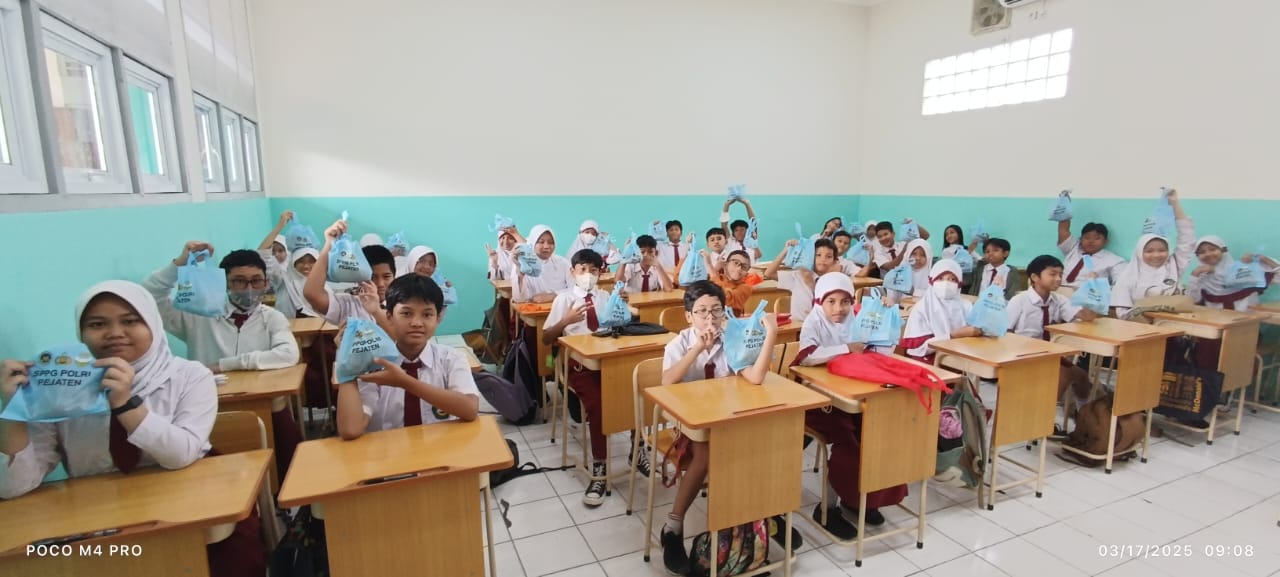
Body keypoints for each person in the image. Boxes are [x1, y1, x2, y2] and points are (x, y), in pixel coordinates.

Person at [0, 281, 264, 577]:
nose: (114, 333)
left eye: (130, 321)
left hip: (190, 505)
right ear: (81, 333)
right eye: (97, 324)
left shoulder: (190, 376)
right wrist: (14, 410)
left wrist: (125, 403)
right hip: (101, 517)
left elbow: (181, 455)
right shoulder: (61, 388)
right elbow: (12, 487)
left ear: (153, 324)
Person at [658, 281, 783, 574]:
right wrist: (698, 348)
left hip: (728, 419)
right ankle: (673, 527)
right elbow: (667, 382)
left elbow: (755, 377)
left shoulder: (732, 339)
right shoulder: (679, 344)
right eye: (701, 311)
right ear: (688, 316)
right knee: (706, 455)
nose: (710, 318)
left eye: (716, 310)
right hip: (689, 423)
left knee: (762, 446)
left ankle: (757, 521)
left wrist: (771, 335)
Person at [793, 272, 905, 538]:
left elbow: (880, 348)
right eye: (831, 301)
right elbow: (806, 357)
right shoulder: (813, 322)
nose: (839, 308)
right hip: (821, 403)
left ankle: (858, 499)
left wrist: (884, 317)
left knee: (878, 435)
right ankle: (827, 508)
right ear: (820, 301)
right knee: (850, 443)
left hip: (854, 397)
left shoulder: (857, 319)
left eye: (845, 301)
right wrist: (846, 348)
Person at [543, 249, 647, 506]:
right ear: (573, 272)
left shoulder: (605, 297)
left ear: (601, 273)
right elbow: (546, 338)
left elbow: (622, 327)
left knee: (636, 392)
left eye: (593, 270)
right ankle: (599, 466)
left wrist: (622, 307)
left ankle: (637, 450)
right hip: (578, 365)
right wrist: (565, 320)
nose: (588, 275)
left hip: (607, 361)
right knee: (600, 404)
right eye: (583, 270)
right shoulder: (564, 299)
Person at [335, 275, 479, 439]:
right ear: (389, 316)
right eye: (406, 313)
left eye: (427, 315)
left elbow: (469, 409)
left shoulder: (451, 359)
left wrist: (404, 382)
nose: (416, 323)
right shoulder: (374, 364)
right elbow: (351, 430)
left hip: (442, 450)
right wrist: (347, 364)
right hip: (390, 452)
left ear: (438, 318)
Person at [1007, 255, 1099, 415]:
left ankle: (1083, 413)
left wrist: (1091, 288)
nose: (1058, 279)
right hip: (1023, 354)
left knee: (1082, 377)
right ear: (1035, 277)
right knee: (1064, 373)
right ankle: (1044, 415)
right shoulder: (1019, 300)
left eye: (1060, 274)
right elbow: (1005, 331)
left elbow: (1088, 316)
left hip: (1049, 353)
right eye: (1052, 274)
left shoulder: (1059, 300)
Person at [304, 218, 399, 337]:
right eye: (373, 277)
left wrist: (376, 311)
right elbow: (312, 294)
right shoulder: (350, 305)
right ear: (359, 278)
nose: (380, 284)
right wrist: (329, 244)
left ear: (394, 276)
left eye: (387, 277)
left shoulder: (402, 306)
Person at [1110, 189, 1195, 316]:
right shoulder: (1127, 278)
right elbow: (1122, 314)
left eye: (1162, 250)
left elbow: (1187, 239)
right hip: (1141, 326)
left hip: (1175, 323)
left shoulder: (1174, 265)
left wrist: (1175, 204)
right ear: (1139, 252)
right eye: (1149, 251)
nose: (1156, 255)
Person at [900, 260, 979, 362]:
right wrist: (952, 335)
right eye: (940, 278)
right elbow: (918, 348)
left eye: (952, 279)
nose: (946, 283)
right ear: (932, 281)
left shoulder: (966, 306)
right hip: (931, 359)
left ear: (959, 284)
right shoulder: (923, 307)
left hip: (961, 357)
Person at [1188, 236, 1279, 311]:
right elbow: (1194, 300)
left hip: (1247, 322)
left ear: (1223, 251)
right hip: (1217, 322)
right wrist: (1195, 275)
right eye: (1202, 252)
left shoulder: (1242, 270)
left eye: (1212, 249)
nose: (1208, 254)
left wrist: (1263, 259)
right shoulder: (1201, 277)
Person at [764, 238, 841, 322]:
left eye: (829, 256)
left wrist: (813, 285)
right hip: (798, 325)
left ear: (834, 261)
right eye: (818, 255)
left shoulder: (834, 281)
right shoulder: (798, 276)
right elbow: (769, 273)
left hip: (822, 326)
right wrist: (786, 251)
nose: (823, 259)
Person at [510, 225, 573, 303]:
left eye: (551, 242)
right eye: (541, 242)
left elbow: (575, 290)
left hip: (561, 308)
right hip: (533, 309)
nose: (546, 246)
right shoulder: (522, 264)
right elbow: (519, 299)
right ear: (533, 243)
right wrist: (520, 275)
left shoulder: (563, 263)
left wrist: (554, 295)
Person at [1056, 219, 1125, 289]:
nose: (1091, 241)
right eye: (1087, 238)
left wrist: (1101, 289)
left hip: (1088, 293)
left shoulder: (1113, 260)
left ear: (1105, 241)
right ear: (1080, 239)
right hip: (1058, 290)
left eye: (1097, 238)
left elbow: (1122, 283)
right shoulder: (1073, 248)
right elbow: (1063, 231)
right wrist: (1063, 216)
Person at [706, 249, 755, 313]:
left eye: (744, 267)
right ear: (726, 264)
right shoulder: (718, 278)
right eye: (736, 263)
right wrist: (715, 269)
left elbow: (725, 298)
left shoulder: (746, 287)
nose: (739, 269)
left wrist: (709, 265)